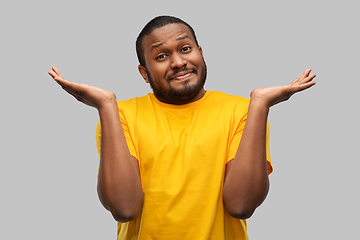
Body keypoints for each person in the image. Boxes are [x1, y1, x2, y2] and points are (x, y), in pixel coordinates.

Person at [48, 15, 316, 240]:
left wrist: (260, 104)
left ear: (201, 53)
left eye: (185, 49)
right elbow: (124, 209)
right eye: (162, 55)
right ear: (144, 73)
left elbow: (241, 205)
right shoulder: (122, 115)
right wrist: (106, 105)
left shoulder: (242, 111)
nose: (178, 62)